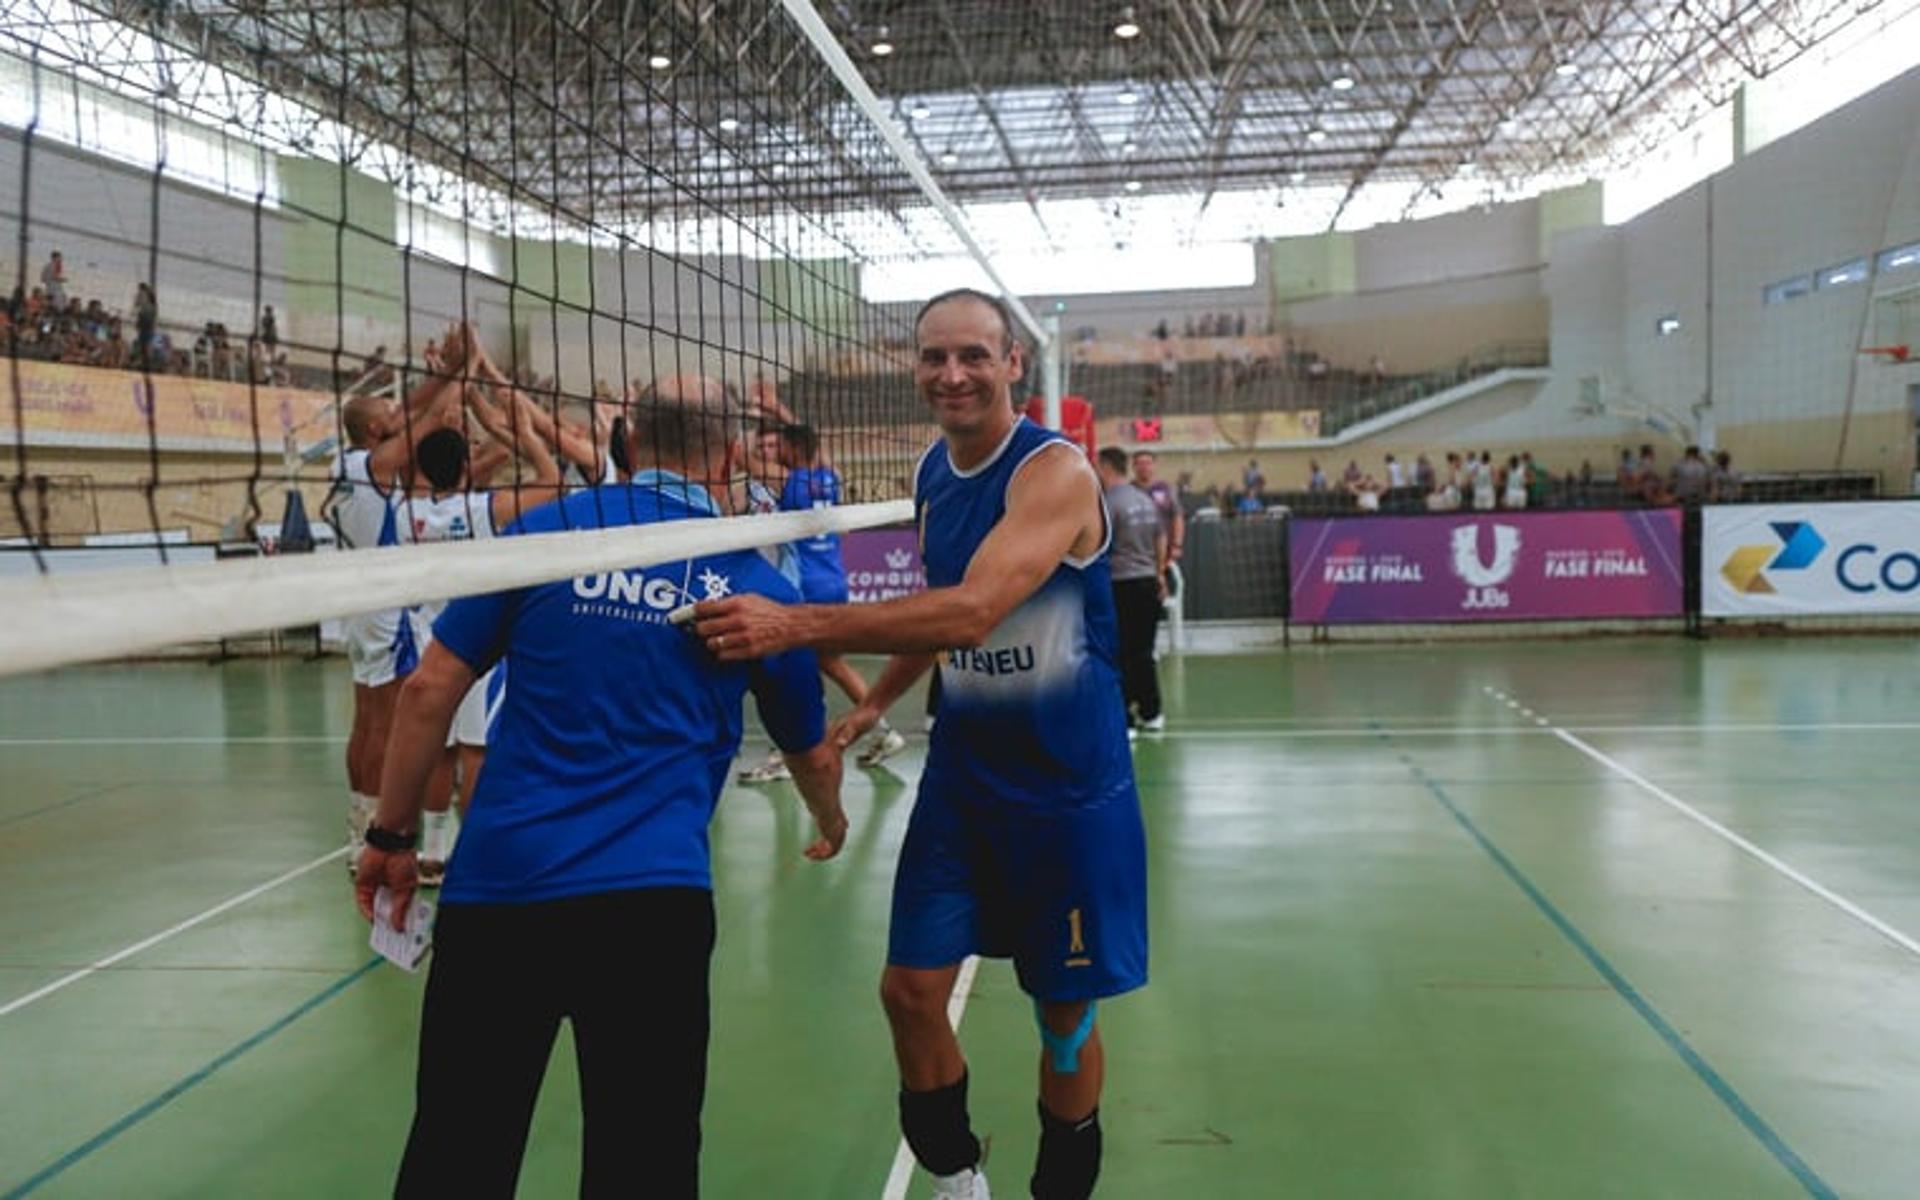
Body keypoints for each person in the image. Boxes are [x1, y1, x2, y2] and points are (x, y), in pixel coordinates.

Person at [692, 288, 1147, 1200]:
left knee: (1062, 1019)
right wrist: (874, 707)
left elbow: (976, 613)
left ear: (1013, 362)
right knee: (907, 992)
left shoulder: (1053, 473)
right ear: (915, 367)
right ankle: (956, 1178)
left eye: (974, 355)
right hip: (964, 782)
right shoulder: (936, 472)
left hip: (1066, 796)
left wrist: (795, 625)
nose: (953, 374)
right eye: (935, 356)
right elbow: (946, 611)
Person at [354, 373, 850, 1198]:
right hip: (649, 910)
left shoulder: (542, 536)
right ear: (730, 455)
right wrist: (828, 819)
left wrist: (392, 837)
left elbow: (426, 691)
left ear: (625, 445)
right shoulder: (760, 585)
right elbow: (812, 750)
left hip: (501, 892)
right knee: (643, 1161)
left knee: (458, 1152)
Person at [738, 421, 907, 782]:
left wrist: (751, 418)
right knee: (830, 664)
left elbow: (737, 456)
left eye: (779, 446)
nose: (774, 452)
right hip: (834, 578)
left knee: (791, 666)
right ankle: (883, 731)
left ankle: (787, 751)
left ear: (793, 449)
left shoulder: (788, 481)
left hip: (805, 585)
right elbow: (816, 450)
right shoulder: (829, 478)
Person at [1097, 447, 1166, 736]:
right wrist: (1159, 573)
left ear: (1105, 467)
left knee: (1119, 652)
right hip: (1148, 581)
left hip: (1121, 583)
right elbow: (1160, 538)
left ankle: (1125, 718)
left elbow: (1098, 544)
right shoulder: (1145, 500)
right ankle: (1152, 713)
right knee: (1144, 651)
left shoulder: (1107, 503)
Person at [1131, 449, 1185, 570]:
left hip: (1165, 551)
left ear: (1154, 466)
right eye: (1140, 463)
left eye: (1148, 463)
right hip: (1137, 553)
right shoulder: (1128, 490)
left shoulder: (1166, 489)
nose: (1144, 467)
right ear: (1133, 467)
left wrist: (1177, 545)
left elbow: (1178, 517)